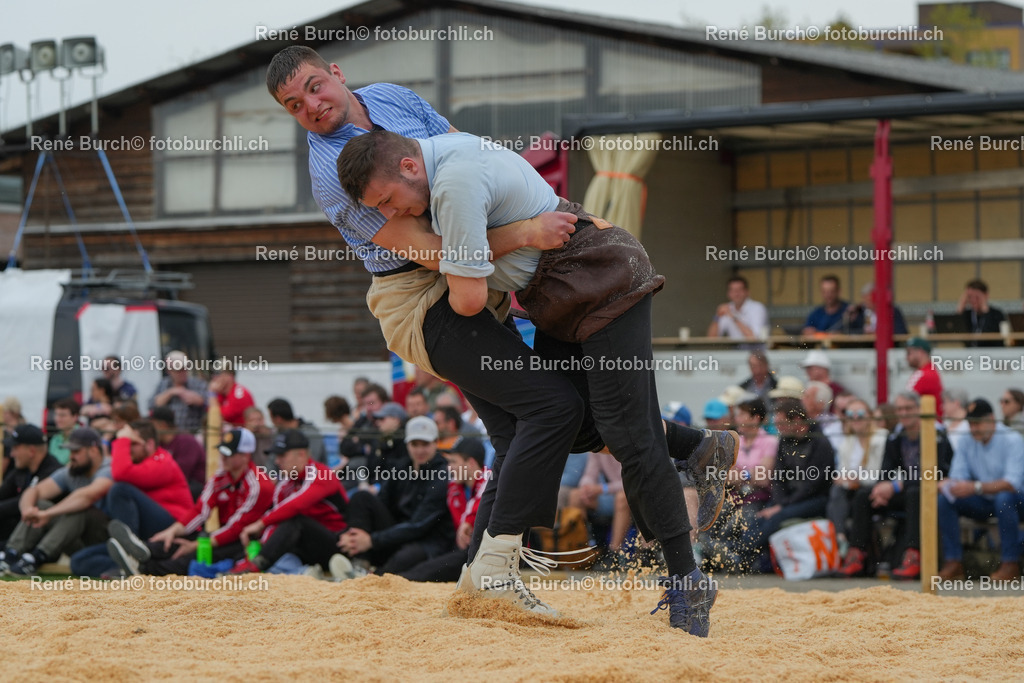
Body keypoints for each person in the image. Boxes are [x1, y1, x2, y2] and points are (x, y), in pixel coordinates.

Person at [271, 46, 730, 632]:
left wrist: (515, 218)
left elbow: (465, 165)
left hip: (500, 283)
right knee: (554, 411)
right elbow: (437, 256)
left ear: (337, 74)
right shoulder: (336, 175)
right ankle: (498, 570)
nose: (310, 105)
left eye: (314, 87)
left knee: (546, 427)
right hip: (426, 296)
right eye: (293, 105)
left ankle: (489, 576)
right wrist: (527, 229)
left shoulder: (399, 108)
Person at [106, 428, 275, 577]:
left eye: (229, 454)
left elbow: (237, 527)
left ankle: (142, 567)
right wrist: (172, 532)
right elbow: (200, 510)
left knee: (191, 556)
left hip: (246, 541)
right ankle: (140, 550)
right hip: (219, 532)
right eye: (222, 452)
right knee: (173, 541)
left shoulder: (259, 483)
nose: (223, 457)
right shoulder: (221, 477)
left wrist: (195, 544)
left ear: (246, 455)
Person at [837, 392, 953, 579]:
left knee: (916, 493)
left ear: (919, 410)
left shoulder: (936, 434)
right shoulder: (896, 436)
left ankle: (914, 555)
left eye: (908, 408)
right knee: (863, 495)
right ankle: (857, 553)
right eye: (900, 409)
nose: (904, 413)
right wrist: (882, 488)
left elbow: (933, 474)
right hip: (905, 489)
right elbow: (886, 468)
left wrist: (895, 486)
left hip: (931, 490)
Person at [338, 416, 454, 574]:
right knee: (361, 497)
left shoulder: (442, 475)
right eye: (415, 444)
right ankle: (358, 556)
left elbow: (419, 525)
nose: (420, 450)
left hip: (426, 539)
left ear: (435, 443)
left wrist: (372, 540)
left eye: (425, 444)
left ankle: (367, 569)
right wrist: (360, 538)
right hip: (397, 533)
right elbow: (381, 501)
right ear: (407, 445)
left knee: (403, 560)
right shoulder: (401, 468)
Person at [233, 429, 349, 575]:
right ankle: (299, 571)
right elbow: (275, 521)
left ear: (301, 455)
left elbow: (297, 505)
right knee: (257, 545)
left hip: (339, 544)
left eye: (282, 455)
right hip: (306, 548)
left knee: (295, 521)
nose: (277, 461)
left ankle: (256, 568)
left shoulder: (322, 474)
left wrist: (260, 524)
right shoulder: (285, 484)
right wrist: (259, 544)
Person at [0, 427, 112, 577]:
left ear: (93, 450)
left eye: (76, 452)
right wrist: (28, 510)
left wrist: (47, 514)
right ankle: (11, 553)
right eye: (71, 451)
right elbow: (34, 491)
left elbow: (85, 497)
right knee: (39, 503)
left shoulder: (109, 468)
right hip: (74, 537)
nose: (71, 457)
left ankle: (37, 557)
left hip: (105, 540)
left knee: (79, 509)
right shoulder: (73, 470)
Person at [937, 398, 1024, 581]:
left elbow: (1012, 483)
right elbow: (958, 475)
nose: (973, 428)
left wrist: (974, 487)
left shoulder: (1012, 439)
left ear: (991, 419)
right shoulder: (966, 440)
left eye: (977, 423)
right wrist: (948, 484)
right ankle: (954, 562)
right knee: (945, 500)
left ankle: (1010, 563)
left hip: (1015, 500)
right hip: (984, 498)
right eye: (970, 423)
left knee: (1004, 498)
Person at [701, 396, 777, 573]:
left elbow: (764, 478)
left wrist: (741, 473)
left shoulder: (770, 441)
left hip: (758, 499)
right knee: (707, 522)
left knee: (733, 525)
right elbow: (726, 476)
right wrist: (749, 474)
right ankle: (729, 559)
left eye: (742, 414)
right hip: (734, 495)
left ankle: (730, 559)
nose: (737, 419)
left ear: (756, 418)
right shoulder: (735, 440)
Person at [749, 398, 833, 552]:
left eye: (781, 423)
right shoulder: (784, 441)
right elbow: (779, 478)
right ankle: (737, 552)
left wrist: (782, 506)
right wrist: (780, 502)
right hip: (789, 498)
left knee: (776, 517)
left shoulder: (820, 443)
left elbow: (812, 485)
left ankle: (741, 551)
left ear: (796, 420)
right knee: (759, 516)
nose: (777, 428)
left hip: (815, 498)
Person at [400, 435, 487, 582]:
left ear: (471, 463)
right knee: (423, 556)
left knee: (438, 565)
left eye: (453, 462)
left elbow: (481, 502)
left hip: (492, 554)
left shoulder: (490, 479)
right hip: (468, 550)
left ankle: (400, 580)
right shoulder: (455, 488)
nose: (449, 468)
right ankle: (397, 579)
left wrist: (467, 522)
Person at [826, 398, 888, 561]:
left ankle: (846, 544)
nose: (855, 418)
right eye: (850, 414)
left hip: (875, 487)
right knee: (836, 491)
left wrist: (856, 480)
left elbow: (879, 474)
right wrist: (848, 480)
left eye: (860, 413)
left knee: (854, 496)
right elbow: (841, 473)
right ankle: (841, 537)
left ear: (869, 416)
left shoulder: (881, 439)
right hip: (852, 489)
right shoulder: (847, 442)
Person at [0, 426, 62, 544]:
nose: (12, 454)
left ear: (31, 451)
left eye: (15, 448)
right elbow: (3, 492)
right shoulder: (22, 468)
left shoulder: (53, 472)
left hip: (39, 535)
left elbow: (22, 502)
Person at [149, 351, 207, 434]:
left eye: (185, 368)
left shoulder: (198, 384)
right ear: (169, 370)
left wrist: (197, 399)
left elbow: (208, 403)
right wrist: (171, 392)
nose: (183, 373)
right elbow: (152, 405)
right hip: (168, 434)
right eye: (178, 370)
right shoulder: (163, 384)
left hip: (192, 432)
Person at [706, 276, 769, 344]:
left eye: (739, 290)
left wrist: (733, 317)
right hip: (736, 351)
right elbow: (711, 339)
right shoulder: (727, 308)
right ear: (728, 294)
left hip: (757, 351)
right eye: (732, 290)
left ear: (747, 292)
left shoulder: (757, 308)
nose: (736, 293)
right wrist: (717, 316)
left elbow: (754, 338)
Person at [267, 397, 327, 466]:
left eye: (270, 417)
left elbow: (312, 458)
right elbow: (272, 461)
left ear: (278, 419)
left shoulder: (310, 433)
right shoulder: (279, 435)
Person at [843, 282, 908, 335]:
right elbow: (848, 332)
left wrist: (879, 332)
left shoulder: (892, 311)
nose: (868, 301)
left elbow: (902, 331)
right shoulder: (858, 312)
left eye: (871, 298)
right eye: (865, 298)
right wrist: (863, 332)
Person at [957, 278, 1005, 348]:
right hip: (970, 354)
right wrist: (962, 304)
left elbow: (992, 335)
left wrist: (985, 310)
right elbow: (956, 329)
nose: (973, 300)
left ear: (986, 295)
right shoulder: (967, 314)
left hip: (991, 353)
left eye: (977, 297)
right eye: (970, 297)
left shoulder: (997, 314)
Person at [905, 337, 943, 421]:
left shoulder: (923, 374)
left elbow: (904, 401)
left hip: (927, 425)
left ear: (920, 352)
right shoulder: (932, 370)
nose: (906, 358)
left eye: (909, 353)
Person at [48, 398, 81, 465]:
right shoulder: (55, 438)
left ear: (75, 417)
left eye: (62, 415)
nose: (57, 419)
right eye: (56, 415)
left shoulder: (83, 437)